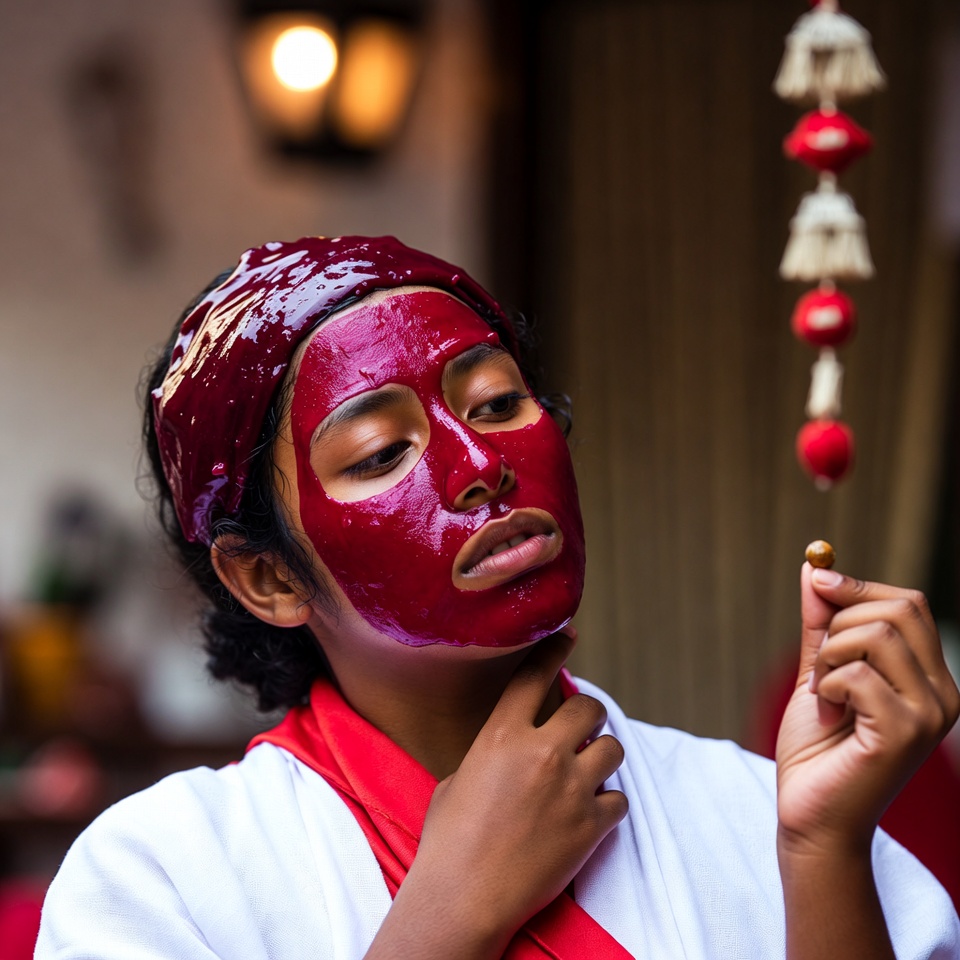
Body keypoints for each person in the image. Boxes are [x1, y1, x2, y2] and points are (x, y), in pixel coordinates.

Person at [36, 236, 960, 959]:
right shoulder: (164, 876)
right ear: (270, 578)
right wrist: (447, 917)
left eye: (494, 404)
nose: (479, 467)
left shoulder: (757, 814)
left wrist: (822, 848)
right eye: (381, 455)